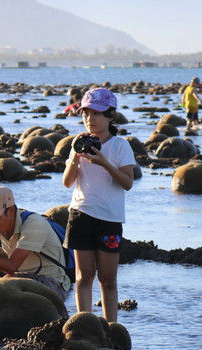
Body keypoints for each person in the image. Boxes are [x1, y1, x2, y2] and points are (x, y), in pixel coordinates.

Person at [62, 87, 136, 323]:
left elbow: (127, 183)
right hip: (80, 215)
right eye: (86, 113)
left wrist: (104, 162)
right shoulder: (79, 143)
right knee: (83, 277)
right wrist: (75, 157)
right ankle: (85, 325)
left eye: (96, 113)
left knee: (108, 279)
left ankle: (112, 327)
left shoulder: (120, 146)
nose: (90, 119)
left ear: (110, 116)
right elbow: (67, 183)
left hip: (109, 219)